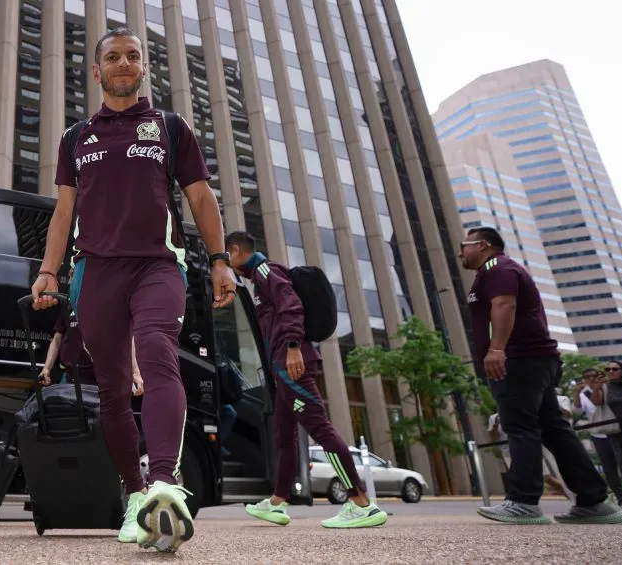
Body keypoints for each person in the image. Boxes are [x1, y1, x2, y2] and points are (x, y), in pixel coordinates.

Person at [29, 27, 236, 553]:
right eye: (113, 57)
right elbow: (63, 212)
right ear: (97, 72)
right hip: (96, 273)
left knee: (158, 355)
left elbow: (200, 197)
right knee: (115, 392)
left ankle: (164, 481)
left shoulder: (169, 127)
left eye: (133, 56)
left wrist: (218, 260)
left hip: (158, 267)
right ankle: (135, 495)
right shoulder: (76, 138)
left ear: (144, 68)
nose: (124, 63)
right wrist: (50, 273)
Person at [460, 226, 622, 524]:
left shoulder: (497, 267)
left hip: (519, 359)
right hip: (532, 359)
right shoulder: (494, 271)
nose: (460, 251)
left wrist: (497, 349)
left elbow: (505, 304)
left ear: (483, 245)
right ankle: (594, 500)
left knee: (519, 426)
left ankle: (523, 502)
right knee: (553, 428)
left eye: (465, 245)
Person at [225, 231, 388, 529]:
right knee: (284, 436)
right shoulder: (260, 277)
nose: (227, 264)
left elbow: (291, 306)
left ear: (236, 251)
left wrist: (292, 347)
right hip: (282, 367)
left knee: (321, 430)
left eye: (227, 257)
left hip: (292, 365)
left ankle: (360, 502)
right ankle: (277, 502)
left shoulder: (264, 271)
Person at [39, 309, 144, 396]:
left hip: (98, 380)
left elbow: (127, 339)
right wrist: (47, 368)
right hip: (70, 378)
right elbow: (57, 339)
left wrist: (135, 372)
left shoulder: (108, 304)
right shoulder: (69, 304)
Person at [580, 368, 622, 513]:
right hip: (600, 435)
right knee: (610, 470)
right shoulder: (584, 394)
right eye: (587, 376)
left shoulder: (611, 388)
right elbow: (578, 410)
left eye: (594, 376)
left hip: (620, 432)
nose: (591, 378)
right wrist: (576, 395)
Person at [594, 361, 622, 514]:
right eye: (607, 369)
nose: (610, 371)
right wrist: (597, 387)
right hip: (614, 431)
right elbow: (597, 403)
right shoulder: (605, 386)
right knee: (612, 467)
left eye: (614, 369)